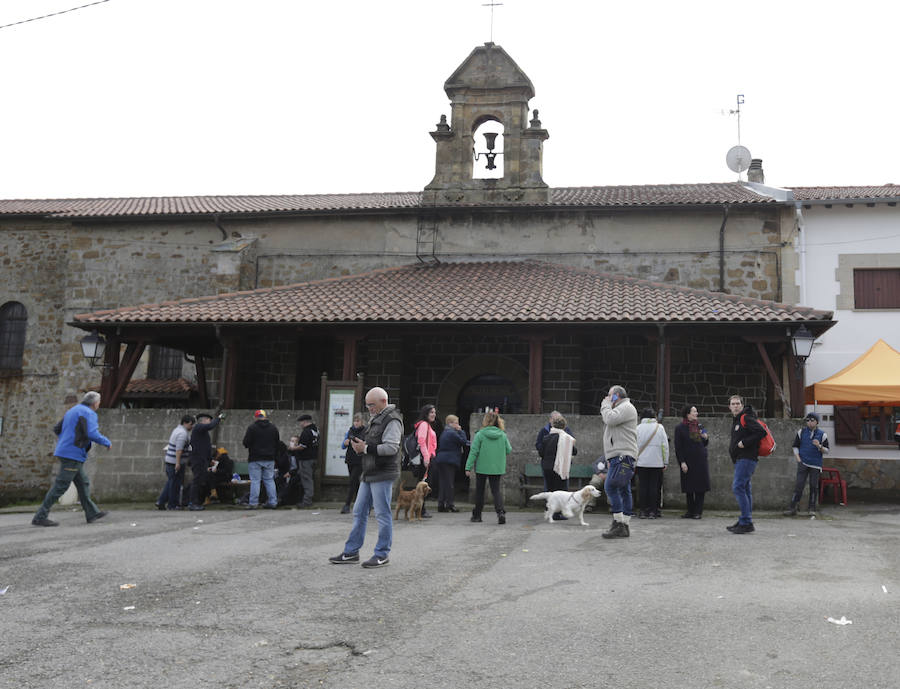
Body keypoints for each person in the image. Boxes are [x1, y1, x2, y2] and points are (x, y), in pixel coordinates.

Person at [329, 386, 401, 568]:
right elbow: (375, 445)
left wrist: (366, 448)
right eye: (368, 405)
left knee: (382, 514)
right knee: (359, 511)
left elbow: (392, 447)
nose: (369, 408)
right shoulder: (376, 418)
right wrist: (361, 447)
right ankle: (351, 552)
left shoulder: (392, 419)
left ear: (383, 402)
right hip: (369, 472)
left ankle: (382, 554)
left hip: (383, 472)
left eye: (372, 405)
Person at [32, 391, 111, 526]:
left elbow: (57, 428)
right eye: (99, 401)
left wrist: (66, 440)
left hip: (67, 452)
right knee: (60, 486)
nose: (99, 404)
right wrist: (106, 442)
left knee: (83, 483)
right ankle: (40, 516)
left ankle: (92, 512)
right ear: (94, 403)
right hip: (73, 454)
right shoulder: (89, 413)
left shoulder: (72, 410)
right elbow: (92, 433)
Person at [600, 385, 638, 539]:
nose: (608, 398)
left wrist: (605, 404)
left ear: (616, 396)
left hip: (623, 456)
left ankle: (618, 523)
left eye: (610, 395)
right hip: (620, 456)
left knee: (611, 486)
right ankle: (624, 525)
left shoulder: (626, 407)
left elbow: (609, 418)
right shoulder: (622, 409)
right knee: (623, 489)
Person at [727, 395, 766, 534]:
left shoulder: (746, 417)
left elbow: (761, 432)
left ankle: (745, 521)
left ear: (742, 405)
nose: (736, 406)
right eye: (733, 404)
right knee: (745, 489)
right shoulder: (738, 419)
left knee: (738, 487)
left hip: (746, 458)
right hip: (741, 459)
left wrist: (745, 442)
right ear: (729, 407)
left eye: (738, 403)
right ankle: (746, 520)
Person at [465, 409, 512, 525]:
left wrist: (468, 467)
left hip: (482, 467)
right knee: (496, 491)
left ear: (485, 421)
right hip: (497, 467)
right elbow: (509, 450)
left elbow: (474, 451)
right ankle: (500, 512)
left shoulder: (480, 434)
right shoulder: (502, 435)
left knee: (480, 491)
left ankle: (477, 516)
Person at [783, 412, 830, 516]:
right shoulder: (801, 432)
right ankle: (792, 508)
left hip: (816, 464)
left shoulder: (823, 434)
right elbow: (795, 446)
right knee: (799, 485)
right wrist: (798, 459)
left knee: (814, 486)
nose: (809, 422)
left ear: (817, 422)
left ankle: (812, 509)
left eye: (812, 420)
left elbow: (827, 451)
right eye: (807, 420)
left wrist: (819, 446)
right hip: (803, 462)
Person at [673, 404, 710, 519]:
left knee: (700, 487)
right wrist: (682, 462)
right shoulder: (680, 428)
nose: (696, 413)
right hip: (688, 460)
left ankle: (698, 512)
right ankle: (690, 511)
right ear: (688, 414)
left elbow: (703, 443)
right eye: (694, 411)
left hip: (700, 460)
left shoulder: (699, 425)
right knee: (689, 487)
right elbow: (678, 447)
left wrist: (705, 438)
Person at [540, 414, 577, 520]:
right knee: (561, 491)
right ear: (564, 426)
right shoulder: (566, 438)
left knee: (551, 491)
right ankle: (558, 514)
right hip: (560, 468)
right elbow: (574, 451)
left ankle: (550, 513)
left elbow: (541, 452)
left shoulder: (546, 437)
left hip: (547, 467)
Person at [242, 409, 280, 510]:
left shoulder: (252, 428)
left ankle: (254, 503)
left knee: (255, 481)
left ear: (255, 417)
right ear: (266, 417)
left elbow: (246, 443)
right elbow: (277, 443)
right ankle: (273, 502)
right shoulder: (273, 428)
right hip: (269, 458)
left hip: (255, 458)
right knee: (269, 480)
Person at [156, 414, 195, 511]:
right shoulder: (182, 433)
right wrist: (177, 463)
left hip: (170, 460)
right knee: (175, 485)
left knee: (171, 482)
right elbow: (179, 450)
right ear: (185, 423)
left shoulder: (177, 430)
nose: (192, 427)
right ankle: (172, 505)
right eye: (191, 424)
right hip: (175, 462)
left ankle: (161, 501)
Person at [635, 408, 668, 519]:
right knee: (654, 487)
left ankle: (643, 511)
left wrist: (634, 461)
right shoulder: (660, 428)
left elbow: (634, 446)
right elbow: (665, 446)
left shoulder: (638, 428)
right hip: (657, 462)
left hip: (641, 462)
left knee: (643, 487)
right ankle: (653, 511)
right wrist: (665, 461)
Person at [187, 411, 224, 511]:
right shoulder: (199, 427)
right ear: (204, 420)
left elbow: (206, 447)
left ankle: (196, 502)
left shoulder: (203, 432)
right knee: (197, 480)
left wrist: (210, 460)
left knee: (200, 481)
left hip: (202, 460)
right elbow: (211, 426)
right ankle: (193, 503)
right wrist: (219, 418)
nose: (210, 422)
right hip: (198, 460)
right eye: (209, 420)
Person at [434, 414, 468, 512]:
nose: (458, 425)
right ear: (450, 423)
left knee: (443, 483)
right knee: (449, 483)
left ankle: (441, 504)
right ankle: (450, 504)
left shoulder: (445, 432)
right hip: (449, 460)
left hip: (441, 459)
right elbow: (463, 441)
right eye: (456, 423)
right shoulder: (452, 433)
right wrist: (461, 431)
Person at [535, 410, 573, 490]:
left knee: (556, 489)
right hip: (551, 464)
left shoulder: (567, 431)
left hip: (559, 465)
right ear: (550, 420)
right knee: (552, 488)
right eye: (555, 419)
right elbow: (538, 445)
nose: (556, 421)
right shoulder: (544, 431)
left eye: (558, 419)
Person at [413, 404, 438, 518]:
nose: (434, 414)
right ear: (426, 413)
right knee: (423, 486)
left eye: (434, 412)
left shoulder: (427, 425)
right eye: (431, 412)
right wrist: (427, 457)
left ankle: (420, 509)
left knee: (424, 485)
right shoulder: (424, 425)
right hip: (425, 459)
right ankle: (420, 510)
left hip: (428, 457)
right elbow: (421, 441)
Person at [291, 414, 319, 507]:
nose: (300, 424)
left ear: (305, 421)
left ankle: (307, 501)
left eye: (301, 422)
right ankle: (308, 498)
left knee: (307, 479)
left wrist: (293, 448)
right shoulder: (315, 430)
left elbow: (302, 446)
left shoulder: (306, 432)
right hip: (314, 458)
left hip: (306, 459)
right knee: (310, 478)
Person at [340, 413, 366, 514]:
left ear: (362, 422)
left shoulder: (365, 431)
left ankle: (347, 505)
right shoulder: (350, 431)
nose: (356, 423)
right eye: (354, 421)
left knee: (352, 481)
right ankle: (363, 504)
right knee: (356, 483)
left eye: (358, 421)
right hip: (350, 459)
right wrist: (345, 442)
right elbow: (343, 445)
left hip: (360, 460)